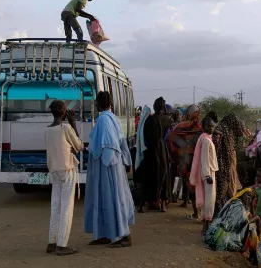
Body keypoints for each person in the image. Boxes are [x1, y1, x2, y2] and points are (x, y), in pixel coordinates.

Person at [84, 91, 135, 248]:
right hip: (110, 165)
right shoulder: (112, 118)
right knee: (104, 198)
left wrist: (101, 157)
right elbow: (121, 142)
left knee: (112, 198)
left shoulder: (104, 120)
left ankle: (123, 235)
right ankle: (105, 233)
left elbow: (109, 144)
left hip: (107, 166)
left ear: (98, 104)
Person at [45, 100, 84, 256]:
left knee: (56, 206)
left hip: (54, 170)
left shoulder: (47, 130)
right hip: (67, 169)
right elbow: (79, 145)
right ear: (63, 111)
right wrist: (73, 123)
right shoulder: (67, 128)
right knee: (67, 207)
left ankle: (52, 242)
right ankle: (62, 245)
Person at [167, 104, 203, 219]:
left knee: (190, 185)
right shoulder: (203, 128)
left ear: (188, 113)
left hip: (186, 161)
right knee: (199, 186)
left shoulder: (181, 126)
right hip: (199, 162)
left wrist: (178, 154)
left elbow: (170, 138)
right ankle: (201, 213)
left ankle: (195, 212)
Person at [140, 97, 172, 212]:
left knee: (149, 176)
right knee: (164, 175)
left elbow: (145, 136)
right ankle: (163, 204)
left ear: (154, 106)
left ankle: (147, 203)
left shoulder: (149, 119)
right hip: (162, 149)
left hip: (151, 150)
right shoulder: (168, 120)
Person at [213, 112, 246, 216]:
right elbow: (216, 146)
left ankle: (221, 212)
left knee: (225, 187)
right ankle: (218, 214)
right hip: (221, 164)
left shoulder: (226, 130)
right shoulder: (221, 130)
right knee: (221, 189)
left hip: (225, 163)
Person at [190, 117, 218, 235]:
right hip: (208, 173)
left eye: (212, 126)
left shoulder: (206, 138)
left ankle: (206, 225)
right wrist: (207, 175)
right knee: (209, 200)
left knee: (209, 199)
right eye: (208, 126)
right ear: (203, 127)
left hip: (209, 172)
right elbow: (204, 158)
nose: (211, 128)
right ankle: (206, 226)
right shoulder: (206, 140)